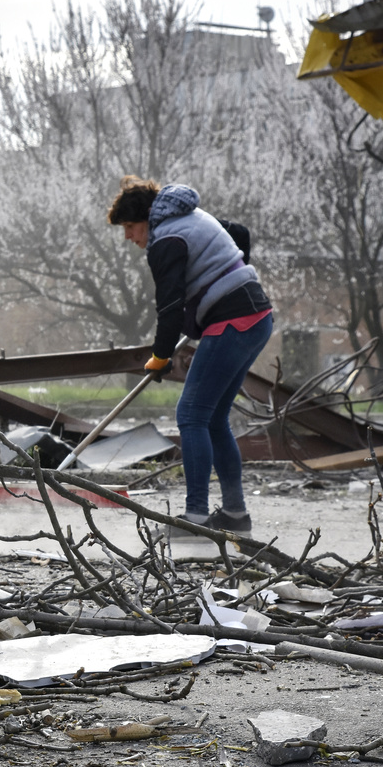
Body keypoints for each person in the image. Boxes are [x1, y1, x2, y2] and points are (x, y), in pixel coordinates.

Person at [107, 176, 273, 534]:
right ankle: (234, 515)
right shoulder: (194, 216)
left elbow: (169, 307)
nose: (128, 237)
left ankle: (195, 519)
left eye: (130, 227)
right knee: (212, 419)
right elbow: (240, 233)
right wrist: (232, 274)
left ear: (146, 218)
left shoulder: (166, 240)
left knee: (191, 415)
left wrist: (161, 355)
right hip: (255, 317)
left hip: (234, 321)